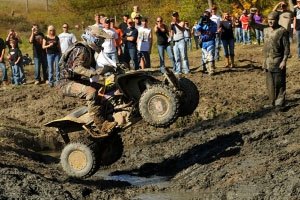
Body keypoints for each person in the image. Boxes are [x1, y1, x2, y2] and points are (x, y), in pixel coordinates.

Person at [57, 25, 117, 134]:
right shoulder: (81, 49)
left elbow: (96, 69)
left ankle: (105, 113)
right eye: (100, 40)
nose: (102, 43)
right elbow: (76, 67)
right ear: (93, 38)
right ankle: (101, 125)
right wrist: (92, 73)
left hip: (76, 80)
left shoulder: (89, 50)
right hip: (66, 82)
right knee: (91, 92)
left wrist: (110, 68)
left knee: (102, 89)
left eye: (102, 41)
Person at [250, 11, 290, 107]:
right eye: (269, 20)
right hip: (267, 61)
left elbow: (286, 48)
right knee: (270, 83)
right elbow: (252, 24)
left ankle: (280, 102)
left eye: (272, 20)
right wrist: (251, 14)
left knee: (279, 82)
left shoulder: (282, 31)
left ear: (277, 20)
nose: (270, 22)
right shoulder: (266, 29)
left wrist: (284, 61)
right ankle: (272, 101)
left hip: (278, 60)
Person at [196, 9, 217, 75]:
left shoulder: (213, 23)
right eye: (204, 16)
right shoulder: (201, 23)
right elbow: (197, 29)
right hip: (203, 42)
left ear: (209, 16)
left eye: (207, 16)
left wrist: (208, 23)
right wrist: (200, 22)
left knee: (210, 55)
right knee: (205, 56)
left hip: (210, 41)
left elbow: (213, 30)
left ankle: (211, 70)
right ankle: (208, 69)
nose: (206, 17)